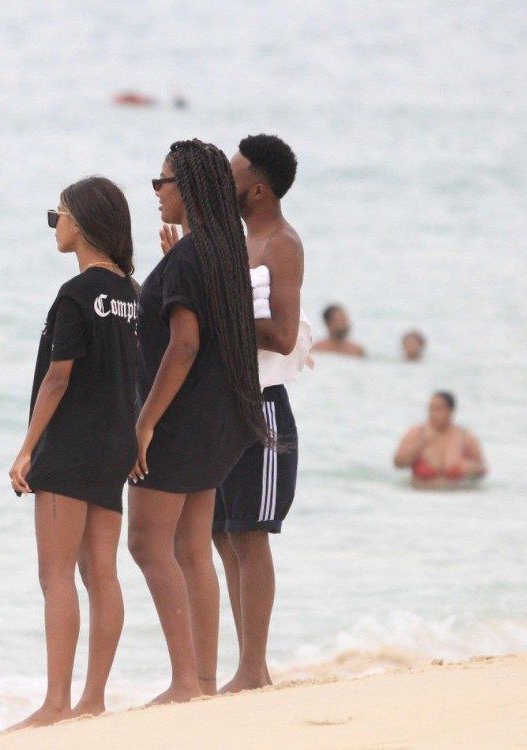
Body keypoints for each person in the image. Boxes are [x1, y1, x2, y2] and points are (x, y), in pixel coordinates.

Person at [130, 139, 266, 705]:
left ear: (185, 185)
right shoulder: (222, 250)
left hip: (180, 423)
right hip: (219, 421)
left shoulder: (191, 257)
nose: (156, 191)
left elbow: (183, 345)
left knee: (146, 543)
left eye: (161, 181)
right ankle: (202, 683)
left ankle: (186, 681)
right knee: (191, 547)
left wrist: (144, 422)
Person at [6, 176, 139, 729]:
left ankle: (56, 704)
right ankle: (93, 700)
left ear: (79, 222)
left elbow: (58, 379)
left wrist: (26, 449)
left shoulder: (76, 294)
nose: (54, 226)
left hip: (70, 444)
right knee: (101, 571)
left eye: (55, 215)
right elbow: (139, 374)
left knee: (56, 575)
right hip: (115, 445)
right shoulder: (133, 295)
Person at [211, 133, 309, 694]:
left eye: (232, 176)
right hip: (225, 406)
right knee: (223, 535)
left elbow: (284, 332)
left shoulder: (281, 243)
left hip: (263, 410)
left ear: (257, 188)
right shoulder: (239, 240)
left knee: (251, 535)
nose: (224, 183)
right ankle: (245, 666)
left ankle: (255, 669)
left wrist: (217, 318)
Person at [393, 391, 487, 489]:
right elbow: (398, 463)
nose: (433, 414)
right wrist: (419, 447)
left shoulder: (465, 437)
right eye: (431, 409)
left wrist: (472, 469)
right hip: (420, 496)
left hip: (456, 496)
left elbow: (482, 470)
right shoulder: (416, 433)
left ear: (451, 411)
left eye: (438, 409)